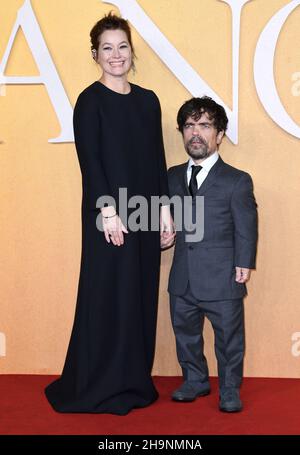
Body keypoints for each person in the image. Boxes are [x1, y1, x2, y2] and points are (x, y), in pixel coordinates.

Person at [45, 13, 173, 415]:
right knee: (109, 295)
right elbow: (91, 162)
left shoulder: (148, 100)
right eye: (107, 48)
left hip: (145, 211)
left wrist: (166, 211)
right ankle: (100, 382)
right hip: (110, 216)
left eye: (122, 47)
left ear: (131, 51)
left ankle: (134, 379)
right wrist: (108, 211)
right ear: (95, 54)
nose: (116, 55)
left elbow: (156, 158)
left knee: (140, 294)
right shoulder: (89, 101)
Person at [165, 96, 258, 412]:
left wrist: (244, 261)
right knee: (185, 334)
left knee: (229, 340)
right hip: (182, 276)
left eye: (204, 125)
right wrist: (162, 235)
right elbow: (163, 218)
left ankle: (230, 389)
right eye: (189, 125)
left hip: (222, 276)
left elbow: (246, 224)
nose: (195, 133)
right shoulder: (171, 176)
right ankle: (195, 380)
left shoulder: (236, 180)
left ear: (219, 135)